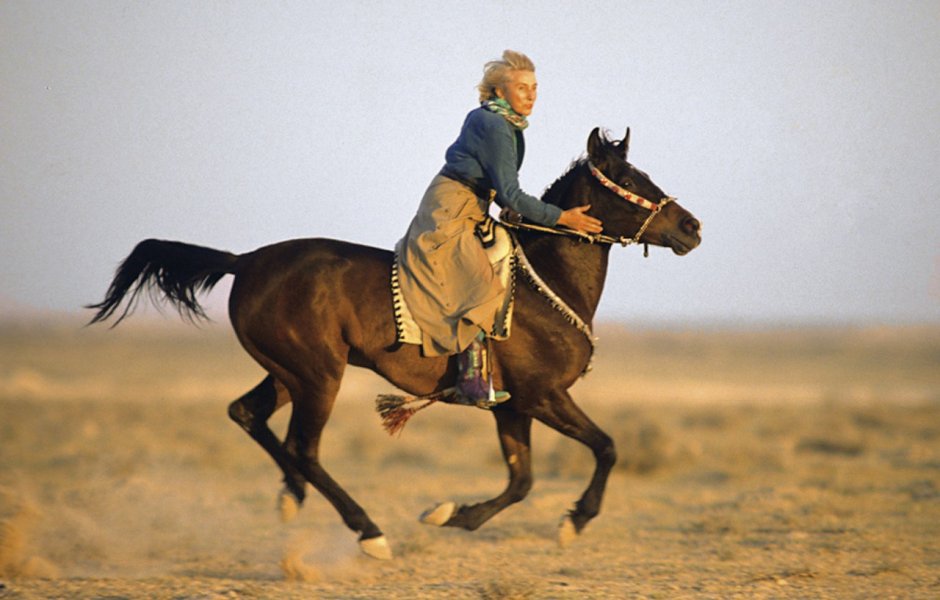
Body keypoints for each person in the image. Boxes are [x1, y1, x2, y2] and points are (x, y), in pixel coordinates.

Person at [395, 50, 603, 407]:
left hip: (473, 206)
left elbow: (503, 194)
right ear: (499, 91)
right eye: (521, 88)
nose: (531, 95)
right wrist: (562, 218)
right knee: (482, 284)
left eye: (534, 87)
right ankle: (472, 379)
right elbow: (511, 194)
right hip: (452, 210)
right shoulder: (494, 125)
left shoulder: (504, 123)